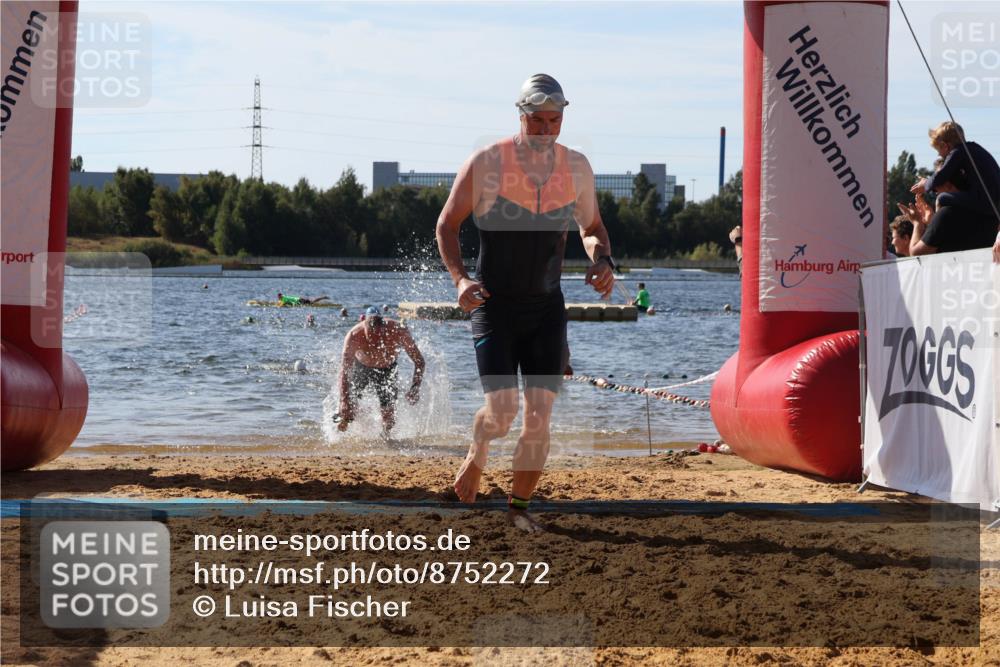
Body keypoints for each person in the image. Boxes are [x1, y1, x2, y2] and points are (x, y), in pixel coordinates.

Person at [435, 73, 615, 532]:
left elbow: (591, 229)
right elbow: (447, 225)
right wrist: (459, 280)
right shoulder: (488, 162)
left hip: (545, 309)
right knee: (502, 414)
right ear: (520, 116)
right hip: (494, 306)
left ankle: (518, 509)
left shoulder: (576, 168)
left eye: (554, 121)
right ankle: (478, 451)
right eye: (537, 121)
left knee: (538, 417)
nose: (545, 130)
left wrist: (602, 261)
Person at [337, 306, 425, 435]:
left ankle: (386, 439)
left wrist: (415, 388)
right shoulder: (354, 336)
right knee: (348, 407)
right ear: (364, 327)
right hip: (361, 367)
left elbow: (419, 361)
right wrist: (344, 400)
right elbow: (344, 371)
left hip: (387, 370)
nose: (375, 342)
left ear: (384, 329)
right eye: (370, 337)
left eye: (379, 337)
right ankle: (343, 433)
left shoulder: (398, 331)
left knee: (389, 417)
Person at [910, 122, 1000, 219]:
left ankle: (938, 226)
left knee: (942, 198)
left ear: (945, 146)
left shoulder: (957, 152)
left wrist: (925, 183)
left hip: (986, 202)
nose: (939, 155)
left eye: (938, 150)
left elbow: (940, 177)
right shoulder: (974, 148)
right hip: (994, 201)